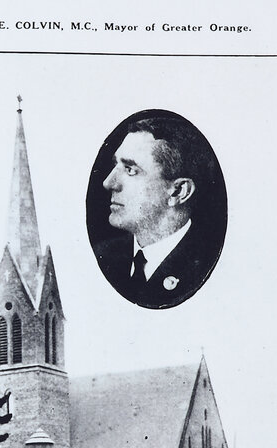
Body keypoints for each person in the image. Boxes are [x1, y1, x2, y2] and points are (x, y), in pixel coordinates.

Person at [94, 115, 224, 309]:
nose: (108, 182)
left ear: (179, 192)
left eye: (130, 170)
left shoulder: (207, 265)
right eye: (116, 165)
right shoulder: (104, 256)